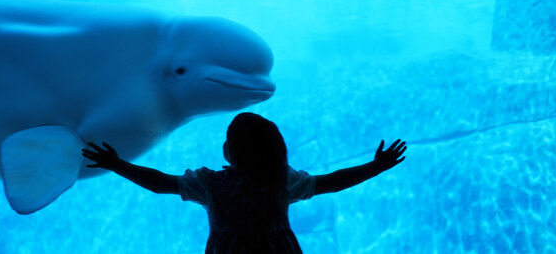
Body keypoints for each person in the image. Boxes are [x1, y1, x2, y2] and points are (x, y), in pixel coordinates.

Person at [82, 112, 407, 253]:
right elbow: (333, 182)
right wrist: (376, 166)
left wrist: (116, 164)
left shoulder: (210, 183)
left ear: (229, 151)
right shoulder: (282, 179)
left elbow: (159, 183)